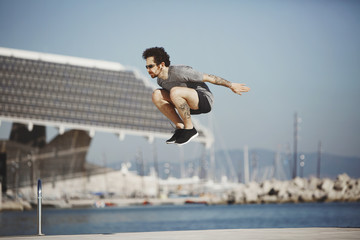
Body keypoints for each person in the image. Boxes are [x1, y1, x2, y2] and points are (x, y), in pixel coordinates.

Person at [142, 47, 250, 145]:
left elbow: (209, 77)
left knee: (175, 91)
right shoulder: (160, 80)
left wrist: (231, 85)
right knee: (156, 94)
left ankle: (190, 130)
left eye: (150, 66)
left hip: (204, 100)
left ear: (161, 65)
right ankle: (180, 128)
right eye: (146, 67)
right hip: (185, 104)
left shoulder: (180, 71)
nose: (148, 70)